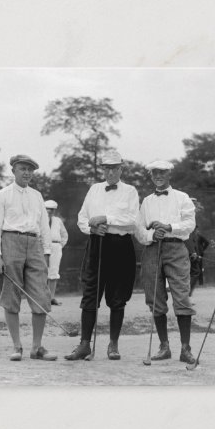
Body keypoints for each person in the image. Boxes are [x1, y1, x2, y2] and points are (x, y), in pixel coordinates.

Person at [65, 150, 139, 361]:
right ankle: (85, 344)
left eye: (115, 168)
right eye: (107, 168)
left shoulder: (130, 191)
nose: (111, 172)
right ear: (103, 170)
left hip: (120, 245)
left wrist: (106, 218)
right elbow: (82, 218)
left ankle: (113, 344)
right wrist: (91, 229)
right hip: (97, 244)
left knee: (117, 297)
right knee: (90, 294)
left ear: (121, 169)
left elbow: (133, 220)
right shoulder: (94, 189)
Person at [0, 154, 56, 362]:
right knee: (11, 295)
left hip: (34, 244)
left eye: (30, 169)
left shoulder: (37, 196)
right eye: (22, 168)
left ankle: (37, 347)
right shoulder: (2, 195)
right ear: (13, 171)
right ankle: (17, 346)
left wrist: (46, 253)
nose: (27, 173)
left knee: (41, 296)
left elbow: (44, 227)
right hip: (10, 242)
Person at [135, 160, 197, 364]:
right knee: (155, 297)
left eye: (162, 172)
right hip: (152, 250)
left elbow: (189, 224)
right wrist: (153, 235)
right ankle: (164, 346)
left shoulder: (182, 197)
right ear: (151, 176)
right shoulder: (146, 201)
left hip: (176, 248)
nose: (158, 176)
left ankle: (186, 348)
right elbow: (139, 230)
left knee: (181, 296)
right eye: (154, 173)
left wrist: (168, 227)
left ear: (169, 174)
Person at [44, 200, 69, 305]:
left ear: (54, 210)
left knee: (53, 272)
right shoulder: (39, 220)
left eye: (52, 209)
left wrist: (59, 246)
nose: (49, 211)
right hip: (43, 247)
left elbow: (64, 235)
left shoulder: (58, 220)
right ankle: (41, 298)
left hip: (55, 246)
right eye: (47, 209)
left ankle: (51, 298)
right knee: (42, 271)